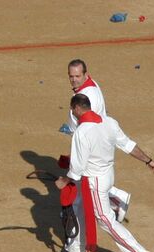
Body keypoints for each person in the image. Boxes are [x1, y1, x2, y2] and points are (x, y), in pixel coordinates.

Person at [55, 96, 154, 252]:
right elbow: (128, 145)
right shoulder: (109, 122)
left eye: (72, 109)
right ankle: (77, 247)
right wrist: (148, 160)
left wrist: (64, 180)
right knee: (82, 206)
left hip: (94, 182)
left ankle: (137, 251)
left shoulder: (82, 132)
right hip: (108, 175)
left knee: (104, 219)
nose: (72, 113)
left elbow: (77, 168)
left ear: (78, 108)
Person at [61, 59, 133, 227]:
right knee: (92, 180)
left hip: (91, 143)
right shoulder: (92, 85)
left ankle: (117, 198)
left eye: (77, 76)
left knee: (88, 181)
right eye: (71, 76)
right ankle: (116, 199)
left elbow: (82, 125)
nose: (74, 80)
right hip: (99, 139)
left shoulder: (84, 97)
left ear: (85, 74)